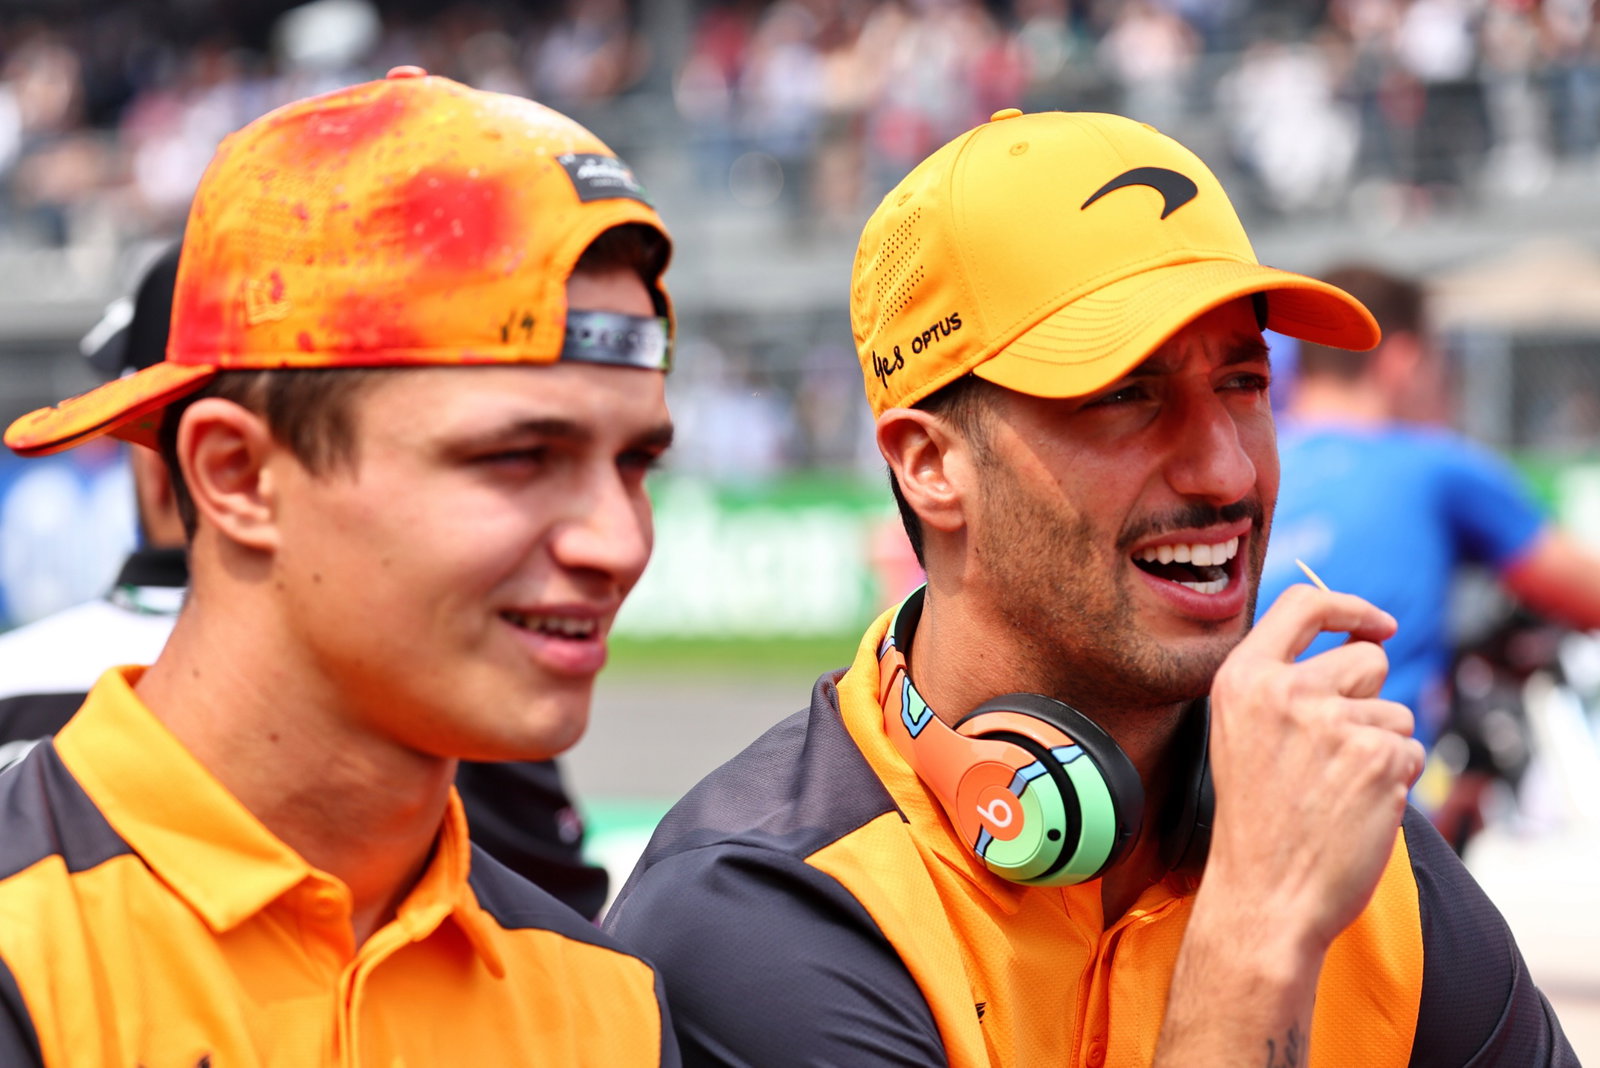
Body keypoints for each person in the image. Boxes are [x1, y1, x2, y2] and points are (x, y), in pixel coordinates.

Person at [605, 110, 1578, 1065]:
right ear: (930, 466)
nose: (1227, 473)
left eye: (1243, 384)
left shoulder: (1352, 842)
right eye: (1124, 394)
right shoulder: (761, 908)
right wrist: (1254, 930)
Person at [0, 67, 680, 1065]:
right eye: (517, 457)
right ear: (235, 475)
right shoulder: (29, 950)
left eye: (635, 462)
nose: (616, 544)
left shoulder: (604, 1003)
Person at [0, 240, 612, 918]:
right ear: (222, 464)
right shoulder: (446, 684)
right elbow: (559, 918)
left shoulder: (14, 680)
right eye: (514, 457)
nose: (616, 542)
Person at [1257, 264, 1600, 754]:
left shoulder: (1251, 467)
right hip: (1366, 802)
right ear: (1403, 360)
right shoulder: (1433, 466)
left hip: (1221, 794)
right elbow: (1588, 591)